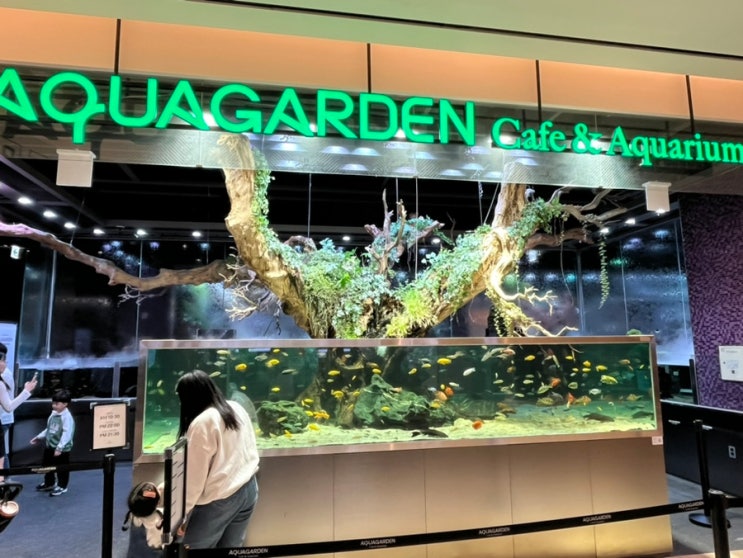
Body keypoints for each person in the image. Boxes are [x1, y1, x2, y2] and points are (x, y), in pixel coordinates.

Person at [175, 370, 259, 549]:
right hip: (249, 488)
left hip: (220, 498)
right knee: (232, 549)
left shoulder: (202, 423)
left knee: (194, 549)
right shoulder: (235, 407)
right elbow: (250, 445)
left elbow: (194, 480)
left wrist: (182, 516)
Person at [0, 343, 37, 482]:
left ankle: (5, 481)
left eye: (4, 360)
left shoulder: (5, 376)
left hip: (3, 419)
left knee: (2, 453)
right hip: (3, 417)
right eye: (3, 360)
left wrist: (26, 391)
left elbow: (8, 405)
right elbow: (9, 405)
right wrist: (26, 391)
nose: (5, 364)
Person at [30, 389, 75, 496]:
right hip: (50, 445)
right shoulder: (53, 414)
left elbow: (67, 434)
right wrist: (39, 437)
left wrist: (59, 448)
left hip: (61, 449)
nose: (54, 405)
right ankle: (49, 483)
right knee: (47, 465)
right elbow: (49, 429)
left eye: (56, 403)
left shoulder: (67, 417)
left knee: (62, 468)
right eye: (53, 403)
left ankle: (62, 486)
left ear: (65, 404)